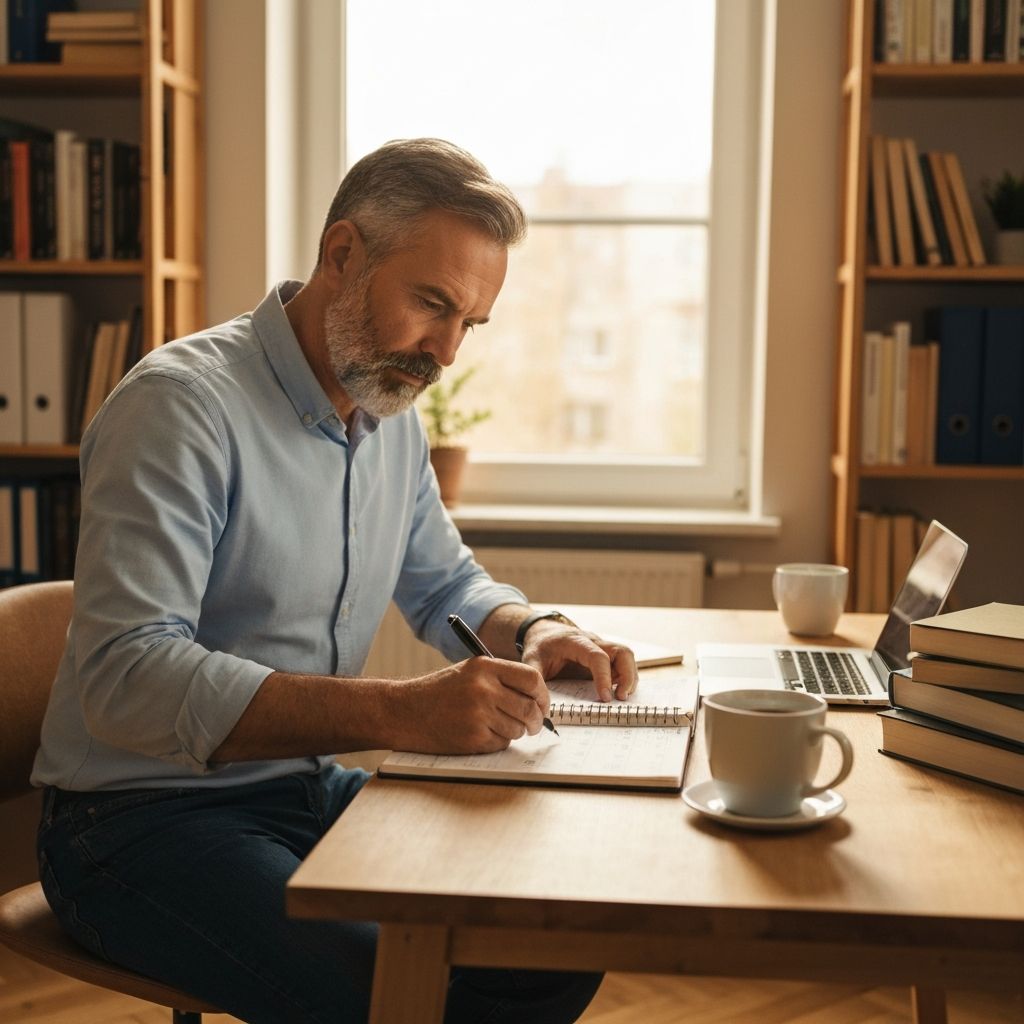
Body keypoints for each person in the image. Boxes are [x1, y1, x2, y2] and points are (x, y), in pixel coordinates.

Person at [32, 138, 637, 1024]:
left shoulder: (387, 411)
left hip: (300, 790)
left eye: (470, 322)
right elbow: (128, 677)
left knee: (558, 929)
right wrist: (400, 711)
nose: (447, 353)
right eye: (432, 304)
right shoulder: (178, 408)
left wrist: (534, 631)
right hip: (135, 822)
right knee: (398, 997)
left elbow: (444, 586)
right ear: (343, 254)